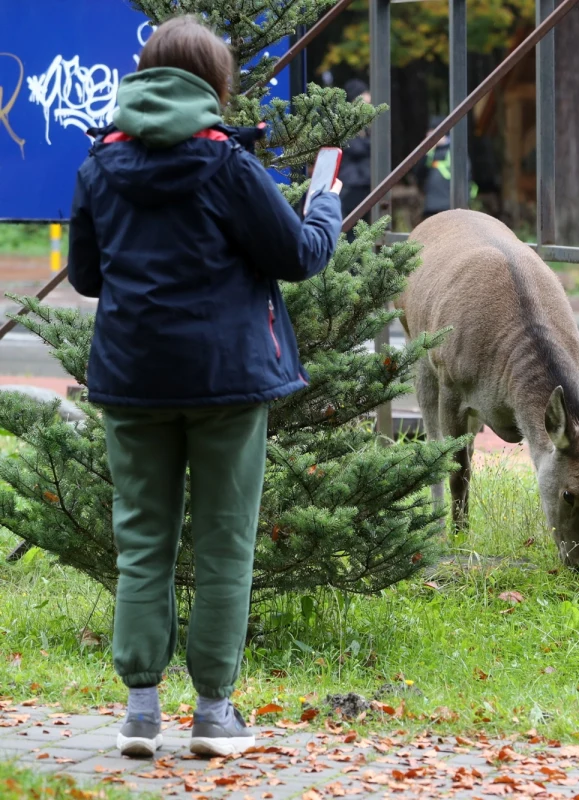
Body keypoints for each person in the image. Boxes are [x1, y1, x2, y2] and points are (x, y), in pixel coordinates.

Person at [65, 16, 342, 759]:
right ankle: (215, 717)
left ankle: (139, 710)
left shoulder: (99, 165)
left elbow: (88, 277)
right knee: (224, 543)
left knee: (142, 540)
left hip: (130, 380)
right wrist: (326, 205)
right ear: (214, 85)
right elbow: (300, 257)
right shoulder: (229, 166)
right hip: (227, 383)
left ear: (146, 76)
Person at [412, 114, 475, 222]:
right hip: (431, 206)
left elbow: (465, 177)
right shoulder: (429, 153)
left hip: (451, 206)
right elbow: (418, 175)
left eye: (433, 132)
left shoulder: (456, 150)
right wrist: (425, 152)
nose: (429, 135)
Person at [338, 78, 372, 227]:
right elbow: (356, 148)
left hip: (364, 182)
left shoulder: (364, 124)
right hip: (352, 184)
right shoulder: (345, 122)